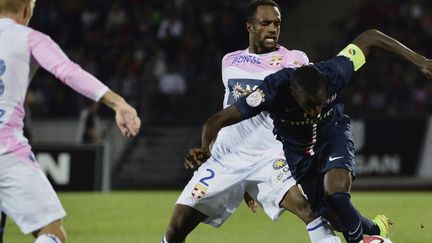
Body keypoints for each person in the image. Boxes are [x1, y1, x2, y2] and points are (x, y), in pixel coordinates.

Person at [193, 28, 432, 243]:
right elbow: (218, 120)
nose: (316, 112)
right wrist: (208, 151)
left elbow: (371, 38)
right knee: (335, 218)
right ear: (295, 96)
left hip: (332, 135)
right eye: (310, 107)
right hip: (298, 154)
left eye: (320, 104)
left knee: (337, 195)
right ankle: (376, 229)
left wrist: (420, 61)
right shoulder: (272, 91)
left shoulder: (335, 72)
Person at [163, 1, 341, 242]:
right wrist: (207, 149)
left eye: (276, 24)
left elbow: (306, 96)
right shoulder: (229, 61)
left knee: (309, 211)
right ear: (250, 27)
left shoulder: (294, 59)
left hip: (270, 156)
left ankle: (362, 231)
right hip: (226, 158)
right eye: (265, 23)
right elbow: (227, 109)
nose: (272, 29)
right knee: (176, 228)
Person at [0, 1, 141, 242]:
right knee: (50, 232)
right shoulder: (30, 38)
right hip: (6, 151)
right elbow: (67, 71)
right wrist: (118, 103)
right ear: (26, 9)